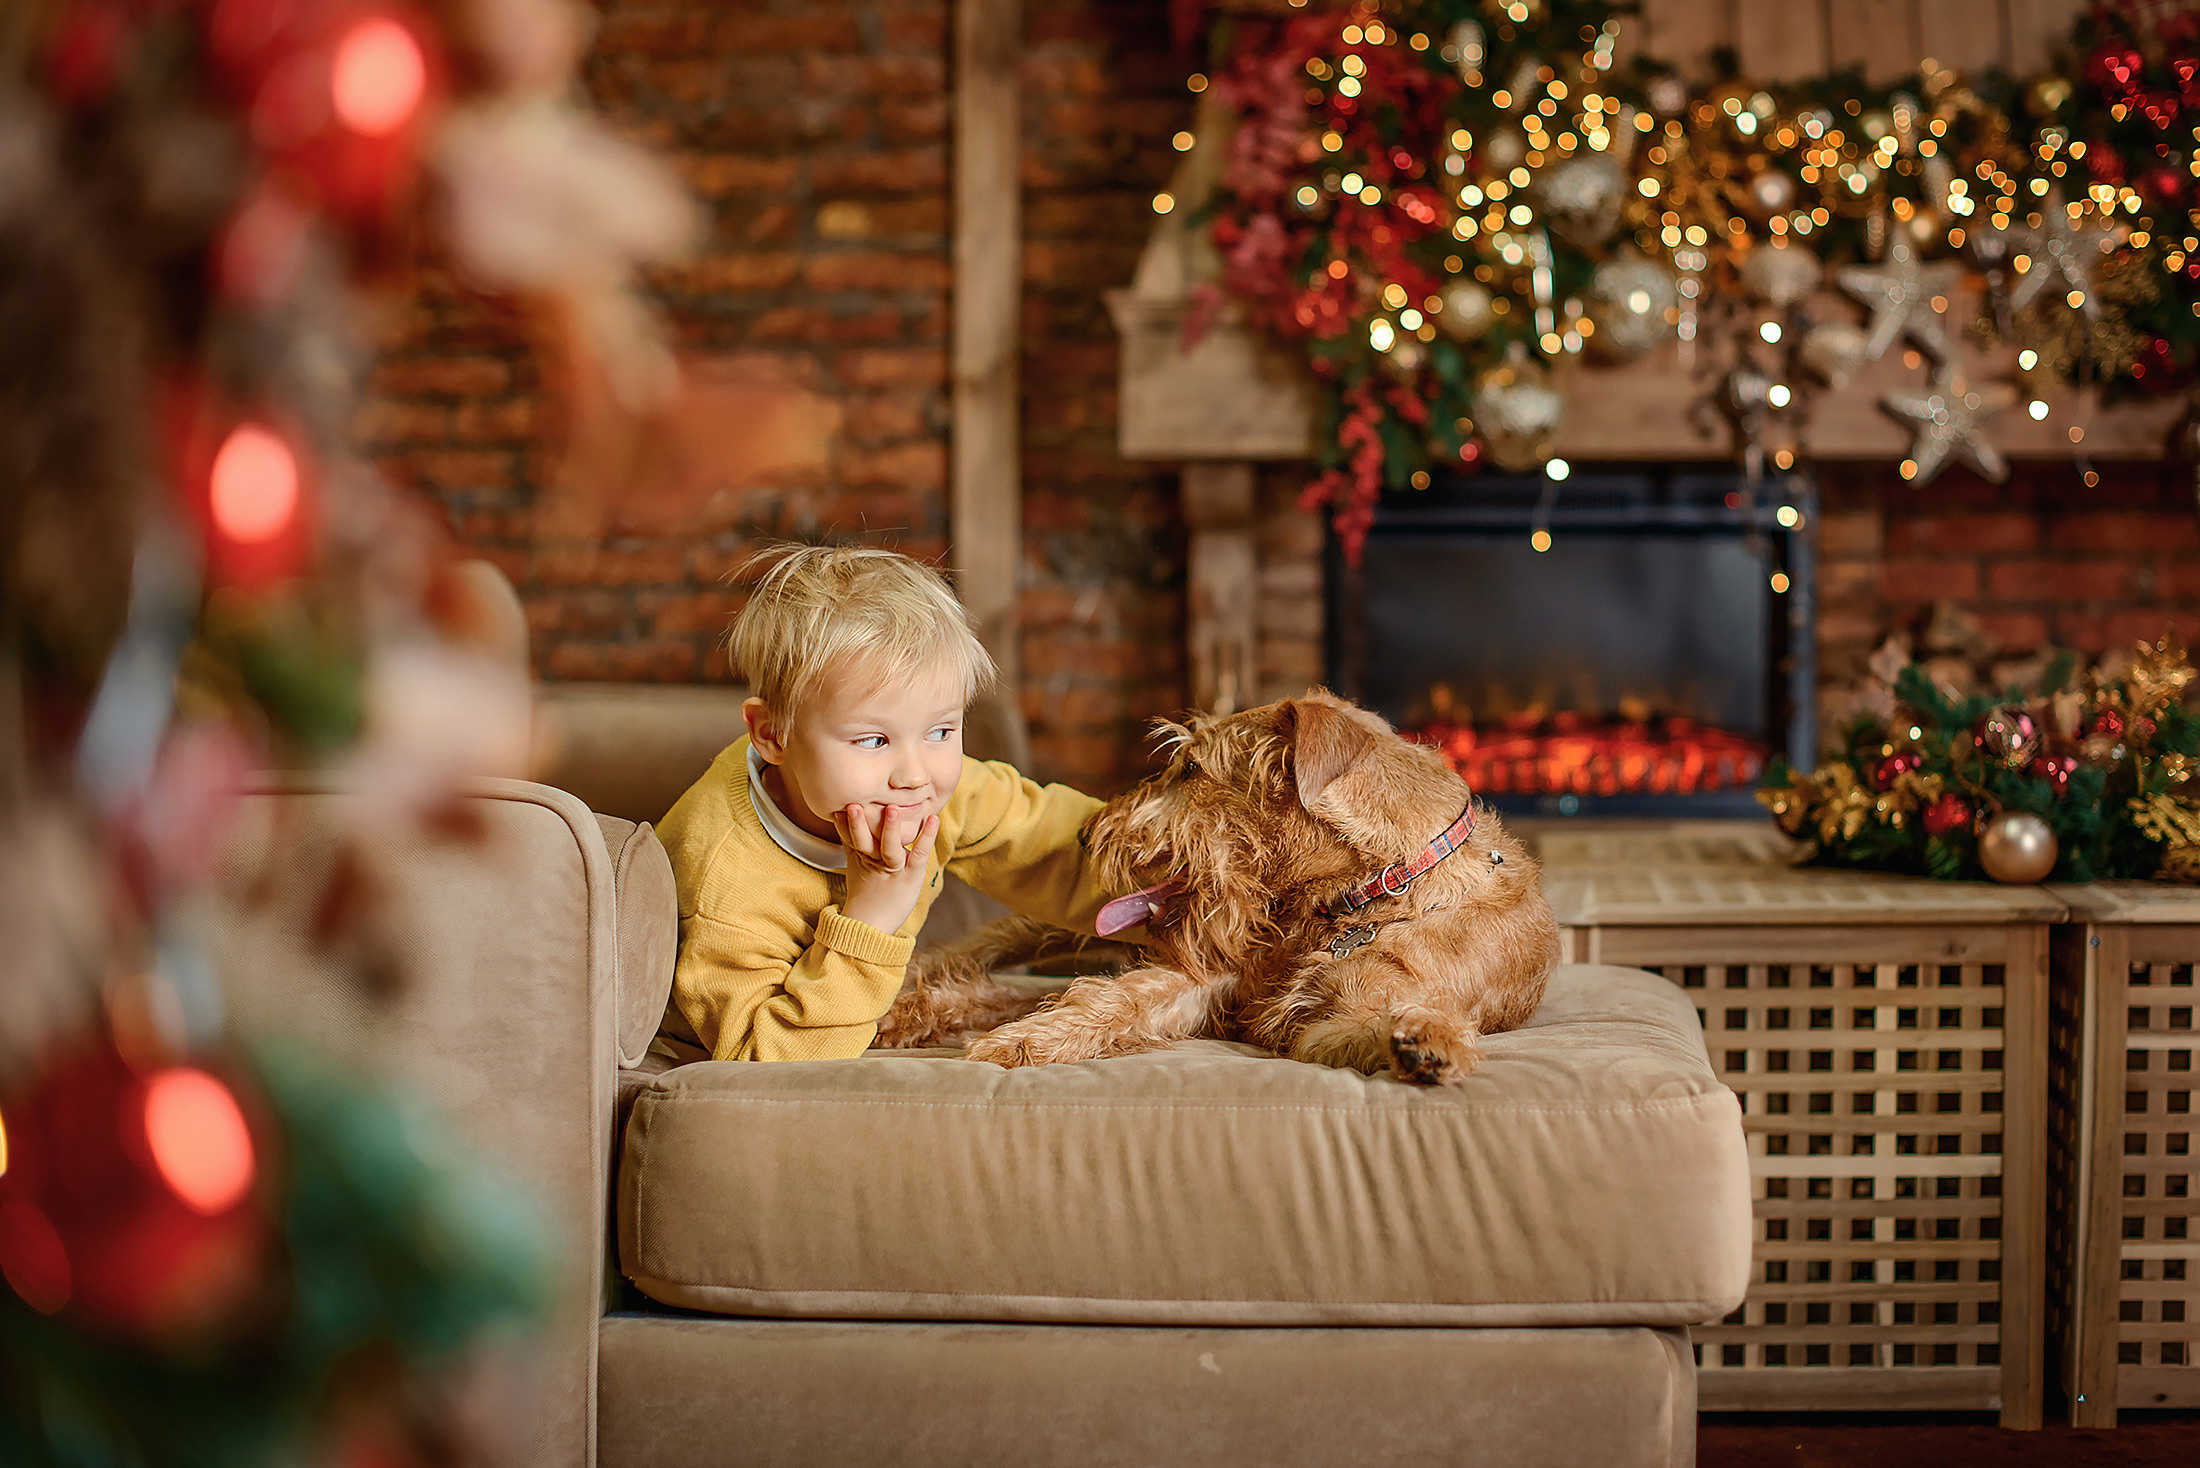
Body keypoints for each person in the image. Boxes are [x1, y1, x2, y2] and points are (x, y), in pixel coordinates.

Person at [656, 544, 1114, 1061]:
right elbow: (766, 1061)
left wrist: (1182, 887)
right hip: (739, 1040)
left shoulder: (933, 791)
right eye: (874, 741)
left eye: (941, 730)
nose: (915, 775)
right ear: (772, 734)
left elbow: (1061, 845)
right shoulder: (728, 881)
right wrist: (871, 914)